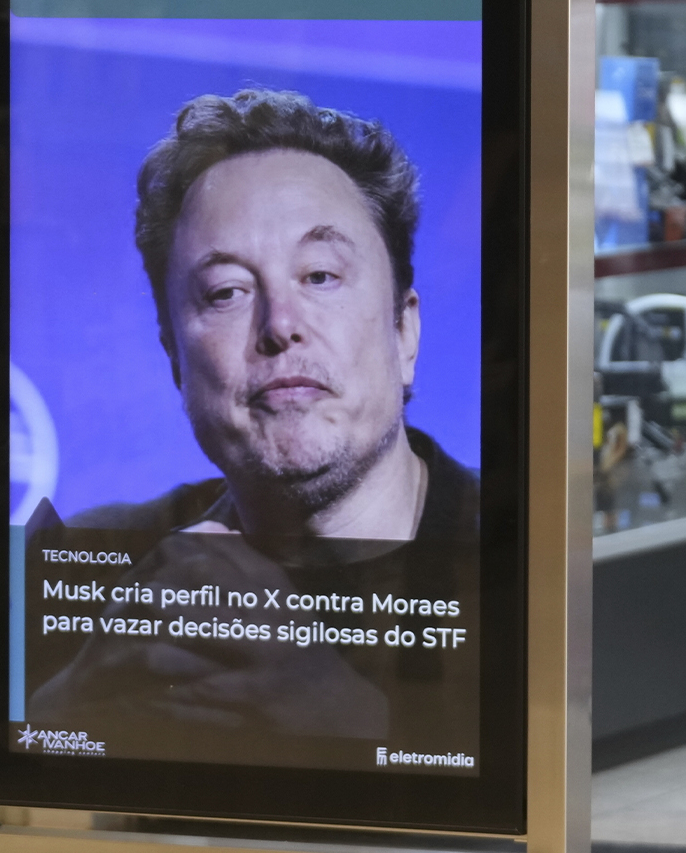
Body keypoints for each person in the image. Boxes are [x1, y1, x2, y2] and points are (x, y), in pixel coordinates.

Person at [25, 89, 479, 760]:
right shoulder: (98, 557)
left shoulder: (526, 559)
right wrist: (73, 701)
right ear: (173, 355)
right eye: (227, 292)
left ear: (405, 329)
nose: (280, 325)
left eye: (321, 275)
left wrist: (339, 715)